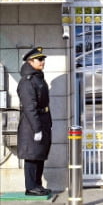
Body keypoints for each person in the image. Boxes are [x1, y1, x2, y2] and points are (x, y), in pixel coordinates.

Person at [17, 47, 53, 196]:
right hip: (32, 124)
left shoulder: (38, 77)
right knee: (32, 156)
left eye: (43, 59)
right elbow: (29, 107)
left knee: (39, 155)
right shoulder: (27, 81)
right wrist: (37, 129)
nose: (42, 62)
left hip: (42, 121)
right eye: (39, 59)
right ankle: (31, 187)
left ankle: (37, 185)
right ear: (30, 61)